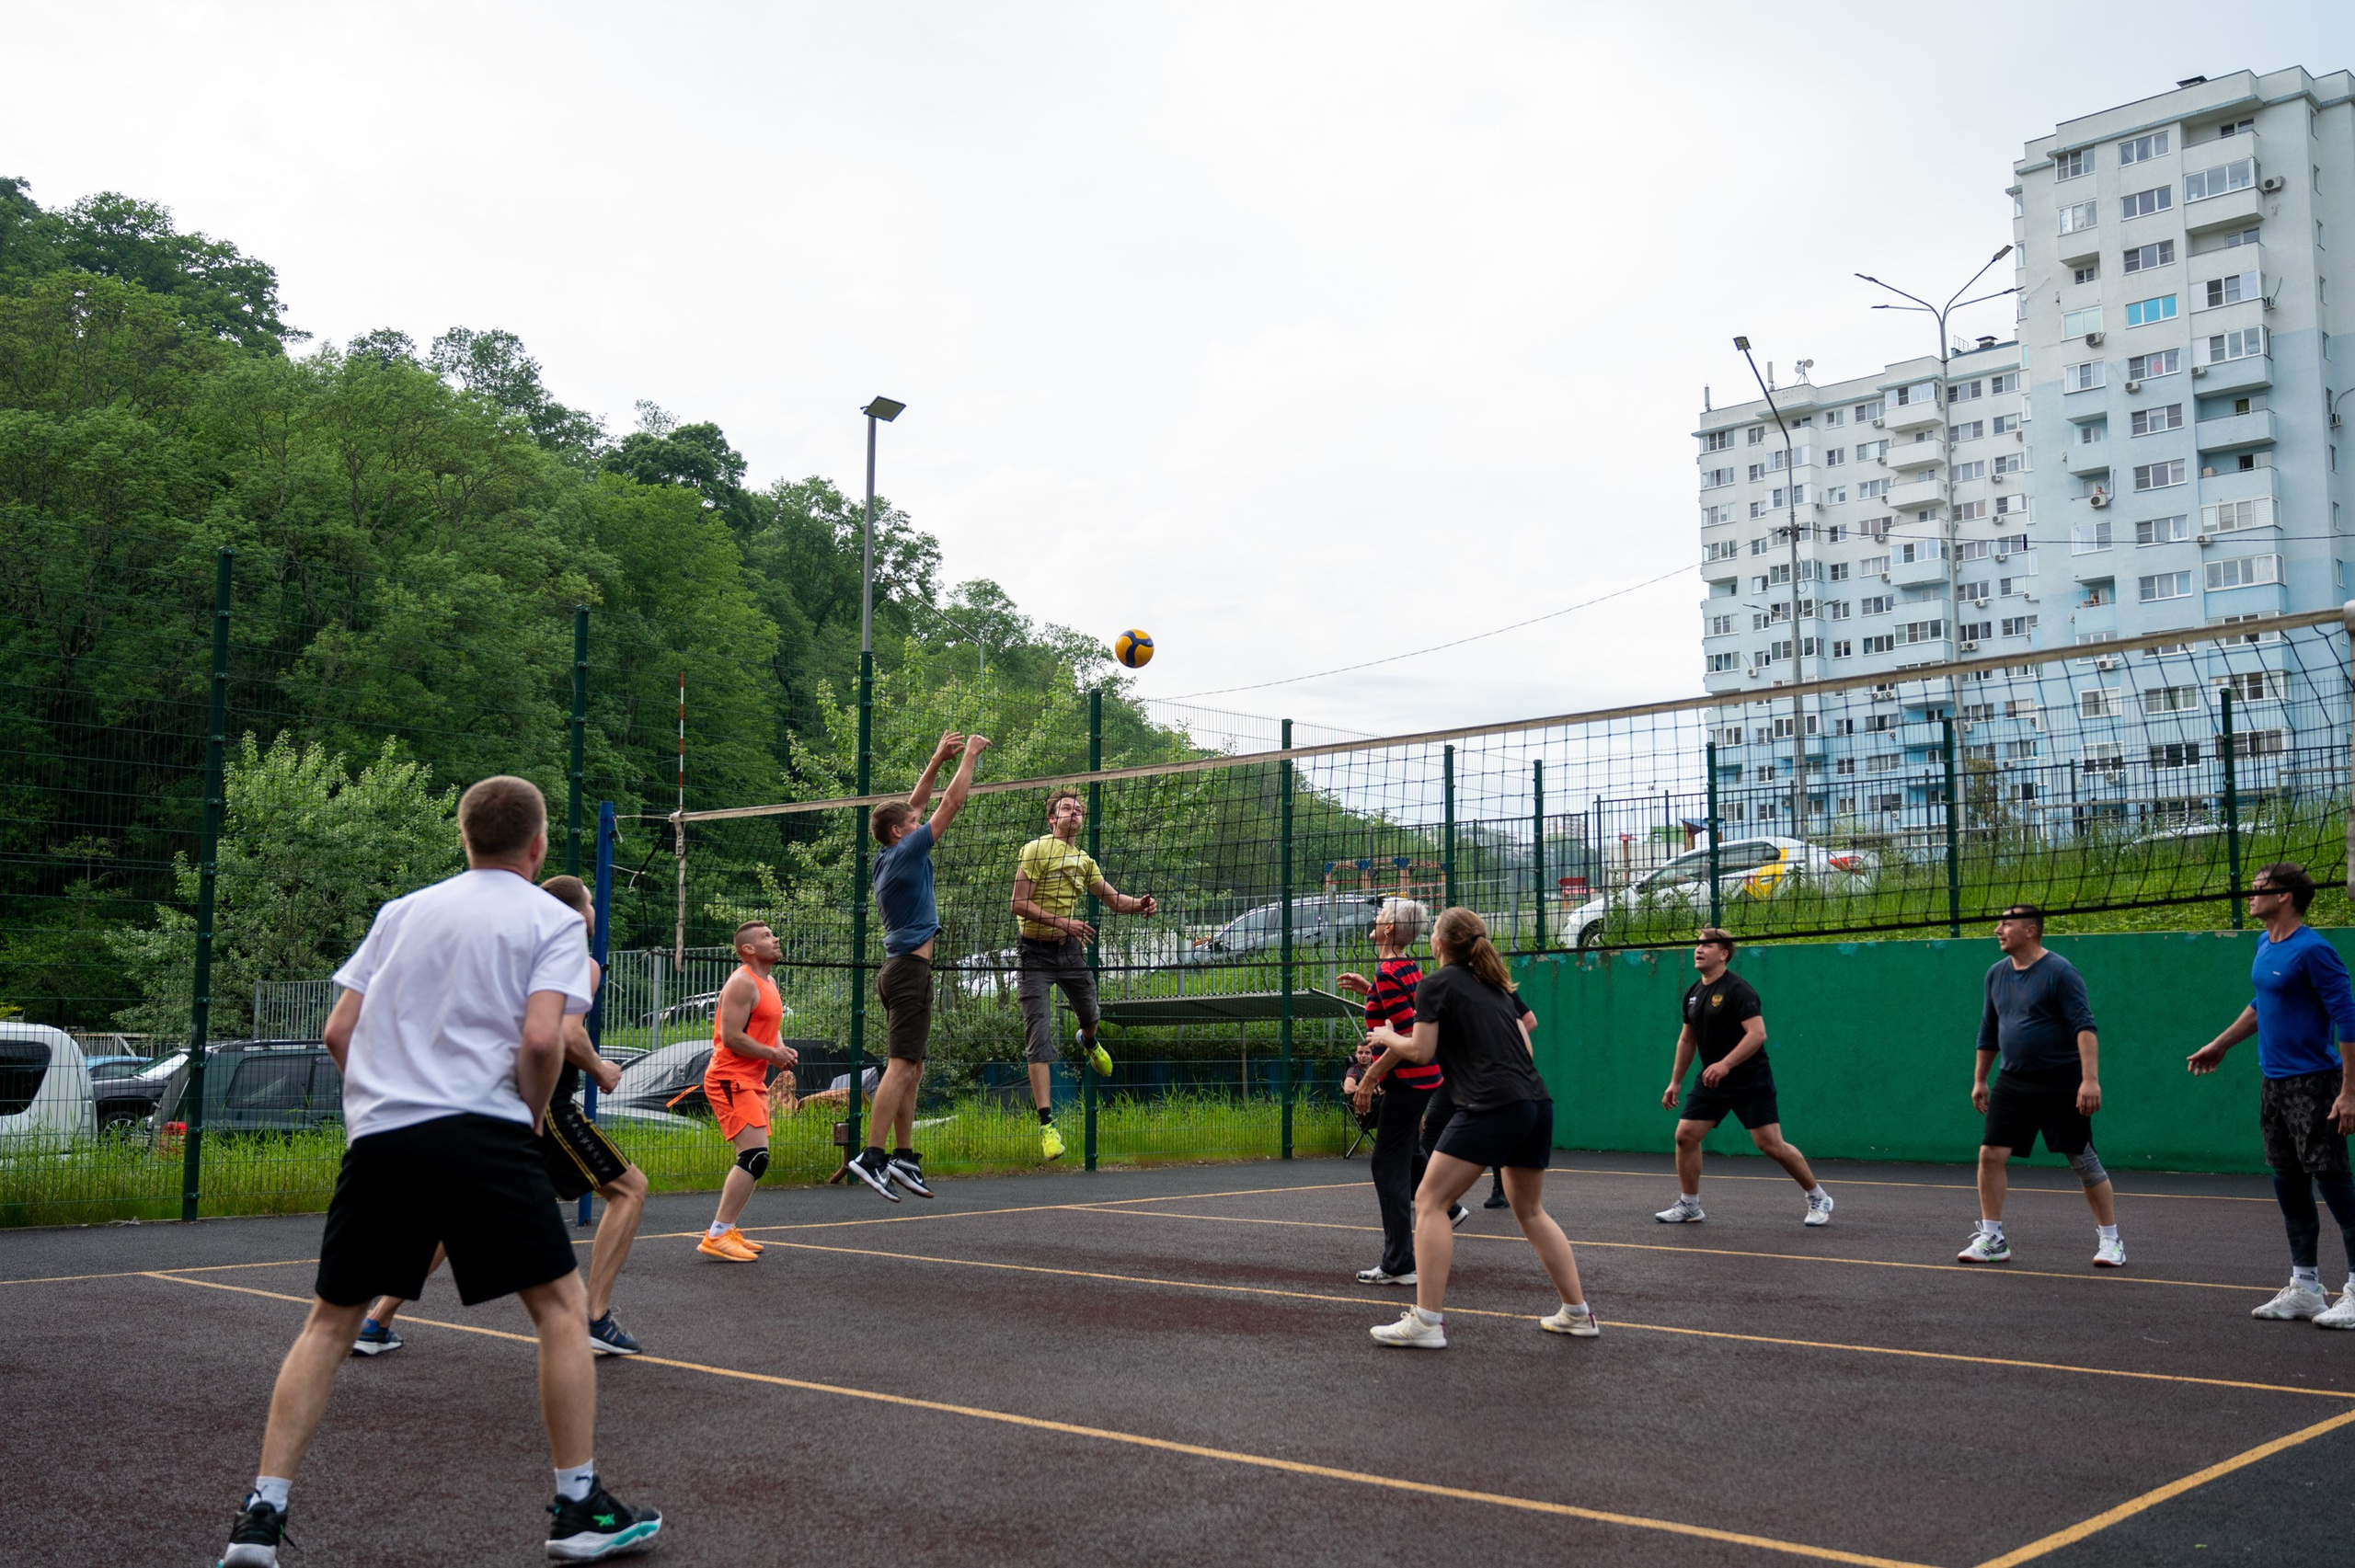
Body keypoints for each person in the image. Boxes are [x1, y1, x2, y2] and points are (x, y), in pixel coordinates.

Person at [216, 776, 660, 1567]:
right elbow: (538, 1041)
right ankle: (578, 1504)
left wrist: (376, 1108)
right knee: (561, 1310)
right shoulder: (552, 918)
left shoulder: (402, 912)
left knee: (329, 1323)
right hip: (483, 1128)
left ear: (464, 838)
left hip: (384, 1137)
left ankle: (261, 1514)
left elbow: (337, 1029)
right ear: (538, 844)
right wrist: (525, 1115)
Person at [352, 876, 651, 1358]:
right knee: (629, 1189)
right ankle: (593, 1318)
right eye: (591, 903)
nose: (595, 911)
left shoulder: (509, 956)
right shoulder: (579, 960)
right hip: (542, 1103)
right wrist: (600, 1070)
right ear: (577, 915)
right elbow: (569, 1035)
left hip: (485, 1097)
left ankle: (375, 1321)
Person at [1359, 907, 1597, 1347]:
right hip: (1535, 1101)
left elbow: (1421, 1050)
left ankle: (1427, 1322)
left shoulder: (1436, 984)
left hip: (1491, 1104)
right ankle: (1577, 1313)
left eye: (1433, 930)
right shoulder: (1496, 986)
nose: (1429, 936)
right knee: (1531, 1211)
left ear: (1441, 944)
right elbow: (1525, 1042)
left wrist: (1387, 1037)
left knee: (1430, 1200)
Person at [2187, 863, 2355, 1325]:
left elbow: (2349, 1018)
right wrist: (2220, 1044)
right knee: (2288, 1182)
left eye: (2259, 889)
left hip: (2316, 1083)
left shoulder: (2314, 950)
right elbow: (2263, 1005)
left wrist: (2349, 1091)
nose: (2250, 895)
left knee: (2335, 1182)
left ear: (2285, 896)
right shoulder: (2265, 944)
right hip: (2274, 1084)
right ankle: (2305, 1287)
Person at [847, 729, 989, 1202]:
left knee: (914, 1068)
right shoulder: (907, 850)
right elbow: (949, 804)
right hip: (908, 971)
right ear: (899, 832)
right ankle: (872, 1155)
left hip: (902, 971)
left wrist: (934, 759)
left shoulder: (887, 855)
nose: (919, 819)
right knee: (901, 1065)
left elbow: (917, 803)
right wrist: (967, 755)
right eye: (913, 821)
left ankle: (904, 1156)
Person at [1958, 903, 2123, 1269]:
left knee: (2082, 1160)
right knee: (1990, 1154)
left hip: (2061, 1081)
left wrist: (2089, 1080)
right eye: (1998, 923)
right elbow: (1989, 1031)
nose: (1998, 930)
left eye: (2006, 924)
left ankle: (2111, 1241)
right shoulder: (1995, 974)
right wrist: (1981, 1079)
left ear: (2031, 930)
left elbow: (2085, 1027)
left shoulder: (2060, 972)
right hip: (2013, 1081)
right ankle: (1993, 1237)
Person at [1009, 788, 1156, 1159]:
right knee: (1038, 1037)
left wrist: (1138, 904)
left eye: (1078, 810)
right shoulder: (1036, 849)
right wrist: (1064, 922)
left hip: (1070, 951)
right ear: (1052, 819)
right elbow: (1018, 903)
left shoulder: (1085, 861)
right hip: (1034, 954)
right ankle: (1047, 1127)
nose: (1074, 813)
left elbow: (1113, 899)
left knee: (1091, 1015)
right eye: (1066, 808)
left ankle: (1089, 1042)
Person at [1654, 928, 1834, 1228]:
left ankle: (1818, 1197)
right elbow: (1687, 1041)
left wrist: (1725, 1064)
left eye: (1707, 945)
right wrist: (1675, 1081)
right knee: (1685, 1136)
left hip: (1750, 1079)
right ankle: (1689, 1205)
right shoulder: (1693, 993)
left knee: (1770, 1144)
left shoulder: (1739, 990)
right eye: (1698, 945)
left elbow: (1758, 1034)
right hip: (1712, 1080)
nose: (1698, 950)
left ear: (1724, 954)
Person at [1341, 898, 1465, 1284]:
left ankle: (1400, 1264)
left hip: (1408, 1081)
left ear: (1391, 930)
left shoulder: (1389, 971)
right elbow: (1407, 1013)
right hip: (1425, 1078)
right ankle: (1450, 1208)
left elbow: (1409, 1035)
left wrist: (1369, 1078)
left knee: (1385, 1163)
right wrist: (1370, 991)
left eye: (1380, 917)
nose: (1375, 920)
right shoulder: (1404, 968)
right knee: (1407, 1150)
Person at [696, 921, 798, 1260]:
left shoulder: (768, 981)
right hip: (728, 1078)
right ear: (748, 950)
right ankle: (718, 1234)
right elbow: (732, 1037)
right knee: (755, 1156)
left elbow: (769, 1027)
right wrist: (773, 1054)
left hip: (750, 1080)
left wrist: (779, 1052)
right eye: (767, 936)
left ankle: (726, 1229)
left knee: (755, 1158)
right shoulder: (742, 982)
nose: (776, 938)